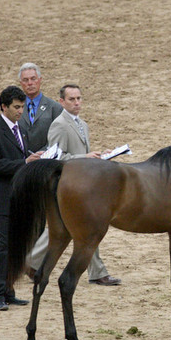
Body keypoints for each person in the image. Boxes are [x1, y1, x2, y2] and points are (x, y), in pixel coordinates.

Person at [26, 84, 121, 286]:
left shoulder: (81, 124)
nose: (77, 103)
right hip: (66, 185)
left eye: (79, 98)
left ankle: (96, 271)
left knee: (89, 226)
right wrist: (84, 157)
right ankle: (32, 261)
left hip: (81, 184)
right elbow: (56, 157)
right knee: (64, 228)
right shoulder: (59, 124)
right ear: (61, 102)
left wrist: (98, 157)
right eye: (72, 99)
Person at [0, 86, 44, 311]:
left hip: (18, 198)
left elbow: (19, 155)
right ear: (4, 107)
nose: (21, 111)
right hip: (1, 199)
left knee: (15, 247)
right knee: (2, 248)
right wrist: (25, 163)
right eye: (16, 107)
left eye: (23, 107)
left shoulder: (21, 130)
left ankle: (9, 292)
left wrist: (33, 158)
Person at [17, 63, 63, 153]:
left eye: (33, 79)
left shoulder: (55, 108)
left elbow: (58, 137)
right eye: (25, 80)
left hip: (47, 160)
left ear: (40, 80)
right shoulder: (15, 108)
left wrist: (42, 154)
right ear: (21, 83)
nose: (30, 83)